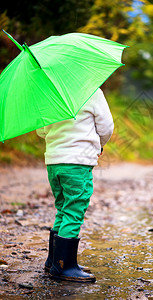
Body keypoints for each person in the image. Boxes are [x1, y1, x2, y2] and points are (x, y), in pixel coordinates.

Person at [36, 88, 114, 283]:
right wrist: (99, 144)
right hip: (77, 162)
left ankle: (54, 260)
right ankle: (64, 266)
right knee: (74, 209)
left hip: (54, 162)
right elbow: (106, 127)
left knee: (63, 208)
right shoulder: (92, 91)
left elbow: (41, 130)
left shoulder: (50, 93)